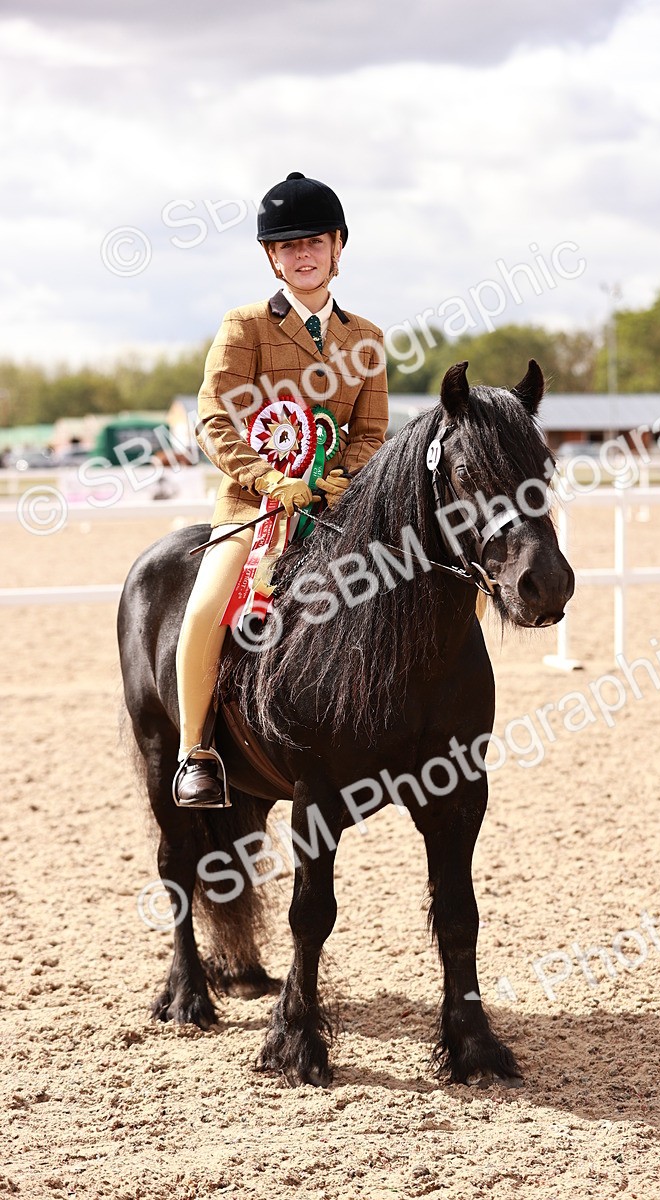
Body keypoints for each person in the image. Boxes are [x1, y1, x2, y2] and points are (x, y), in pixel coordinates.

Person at [173, 172, 389, 807]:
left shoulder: (367, 339)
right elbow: (214, 418)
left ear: (338, 249)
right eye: (289, 246)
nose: (303, 254)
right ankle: (195, 751)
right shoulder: (244, 328)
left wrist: (340, 475)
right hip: (254, 507)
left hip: (335, 507)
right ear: (272, 257)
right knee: (208, 607)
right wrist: (268, 478)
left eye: (315, 242)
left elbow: (372, 429)